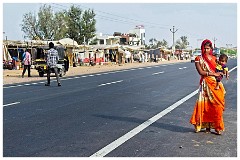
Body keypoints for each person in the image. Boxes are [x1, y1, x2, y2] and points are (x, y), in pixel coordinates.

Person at [190, 39, 226, 135]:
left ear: (211, 49)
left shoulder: (214, 59)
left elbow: (221, 67)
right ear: (202, 48)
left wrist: (223, 71)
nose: (206, 50)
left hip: (215, 84)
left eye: (208, 48)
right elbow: (200, 72)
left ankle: (217, 126)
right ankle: (206, 126)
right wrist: (213, 73)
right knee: (206, 106)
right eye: (205, 48)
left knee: (217, 105)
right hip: (206, 84)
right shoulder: (198, 59)